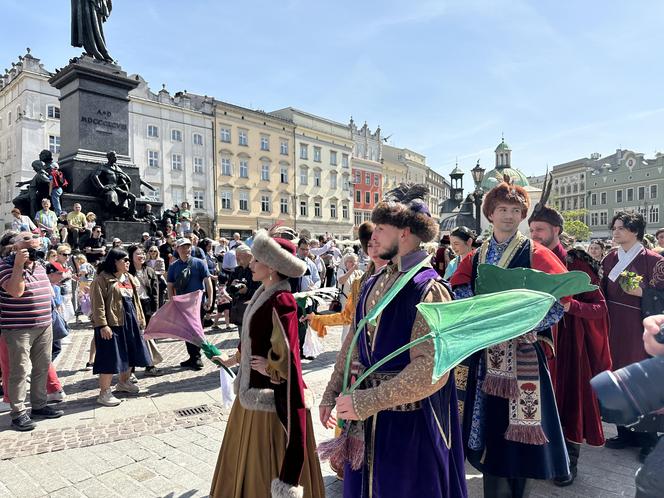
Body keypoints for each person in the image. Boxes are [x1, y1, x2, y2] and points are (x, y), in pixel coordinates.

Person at [320, 185, 467, 498]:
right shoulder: (374, 281)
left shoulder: (429, 289)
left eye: (381, 229)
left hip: (409, 429)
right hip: (368, 422)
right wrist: (331, 391)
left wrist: (368, 401)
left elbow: (432, 370)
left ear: (404, 233)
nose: (374, 237)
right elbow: (353, 345)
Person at [450, 177, 569, 497]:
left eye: (515, 210)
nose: (508, 215)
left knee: (522, 433)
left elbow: (561, 297)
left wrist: (534, 324)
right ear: (490, 213)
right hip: (486, 357)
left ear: (522, 216)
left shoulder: (537, 253)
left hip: (523, 354)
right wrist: (473, 314)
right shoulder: (475, 256)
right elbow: (460, 289)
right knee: (494, 431)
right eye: (502, 208)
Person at [209, 228, 325, 498]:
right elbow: (253, 339)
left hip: (271, 401)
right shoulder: (265, 292)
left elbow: (288, 351)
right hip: (252, 394)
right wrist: (231, 358)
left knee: (263, 463)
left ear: (272, 267)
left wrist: (273, 368)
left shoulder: (281, 299)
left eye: (257, 260)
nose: (251, 263)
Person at [528, 193, 612, 486]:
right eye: (532, 229)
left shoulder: (577, 261)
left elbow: (599, 307)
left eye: (540, 229)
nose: (534, 235)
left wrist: (571, 306)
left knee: (569, 402)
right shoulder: (525, 259)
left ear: (556, 231)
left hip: (569, 348)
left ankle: (567, 462)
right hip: (535, 345)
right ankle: (541, 456)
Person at [601, 211, 664, 461]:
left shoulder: (654, 261)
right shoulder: (609, 259)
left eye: (620, 228)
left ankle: (649, 440)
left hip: (640, 327)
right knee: (617, 375)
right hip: (613, 325)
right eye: (614, 228)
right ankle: (624, 432)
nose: (615, 232)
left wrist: (643, 293)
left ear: (635, 231)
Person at [0, 231, 64, 430]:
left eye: (37, 249)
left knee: (42, 367)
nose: (34, 253)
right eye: (29, 249)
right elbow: (16, 292)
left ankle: (39, 405)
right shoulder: (4, 266)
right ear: (15, 248)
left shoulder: (39, 265)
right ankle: (18, 413)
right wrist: (19, 264)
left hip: (44, 325)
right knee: (18, 371)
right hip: (18, 328)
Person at [307, 222, 388, 344]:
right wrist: (318, 319)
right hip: (365, 347)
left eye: (379, 244)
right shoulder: (359, 283)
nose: (375, 249)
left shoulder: (395, 277)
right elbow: (346, 316)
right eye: (370, 245)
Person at [90, 248, 151, 406]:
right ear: (114, 262)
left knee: (130, 352)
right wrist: (103, 324)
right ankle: (104, 392)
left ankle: (124, 382)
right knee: (110, 357)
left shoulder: (129, 277)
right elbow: (98, 304)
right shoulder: (102, 279)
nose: (127, 262)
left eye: (127, 260)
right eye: (124, 260)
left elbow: (135, 301)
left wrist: (140, 319)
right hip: (113, 322)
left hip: (129, 320)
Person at [167, 238, 214, 370]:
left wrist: (210, 299)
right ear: (177, 249)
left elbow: (207, 282)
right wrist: (172, 301)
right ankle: (192, 356)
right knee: (186, 331)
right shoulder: (173, 266)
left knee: (197, 329)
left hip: (197, 303)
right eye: (182, 247)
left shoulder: (199, 263)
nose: (186, 249)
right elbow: (170, 285)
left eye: (188, 247)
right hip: (182, 304)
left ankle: (197, 357)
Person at [127, 245, 163, 377]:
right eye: (138, 254)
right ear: (131, 256)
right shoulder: (127, 272)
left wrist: (155, 309)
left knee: (148, 336)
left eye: (143, 253)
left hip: (147, 305)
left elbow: (155, 292)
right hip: (132, 305)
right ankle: (131, 371)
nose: (141, 256)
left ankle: (150, 365)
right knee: (133, 337)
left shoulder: (149, 270)